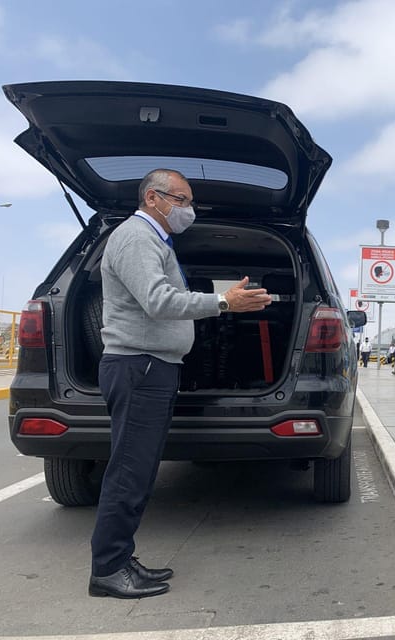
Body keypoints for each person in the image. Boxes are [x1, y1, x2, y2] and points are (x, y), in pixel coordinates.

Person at [89, 169, 271, 599]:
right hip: (139, 368)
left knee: (140, 468)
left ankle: (119, 558)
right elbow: (159, 301)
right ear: (154, 198)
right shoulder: (137, 238)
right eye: (183, 199)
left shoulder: (153, 241)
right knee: (129, 472)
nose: (189, 209)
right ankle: (108, 569)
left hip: (152, 368)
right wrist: (225, 301)